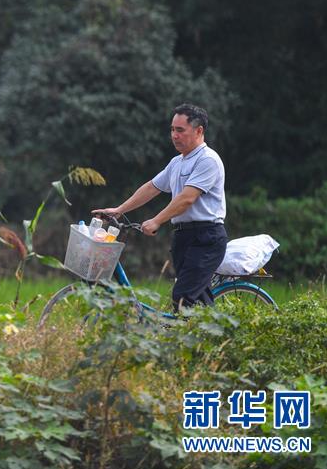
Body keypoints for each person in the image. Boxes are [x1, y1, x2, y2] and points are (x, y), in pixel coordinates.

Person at [92, 103, 227, 312]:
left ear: (199, 131)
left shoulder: (208, 160)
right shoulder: (177, 162)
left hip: (206, 238)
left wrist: (156, 220)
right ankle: (213, 339)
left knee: (183, 296)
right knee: (196, 300)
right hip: (183, 238)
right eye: (172, 129)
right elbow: (151, 188)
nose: (174, 135)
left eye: (180, 130)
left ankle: (209, 336)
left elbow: (186, 199)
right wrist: (119, 210)